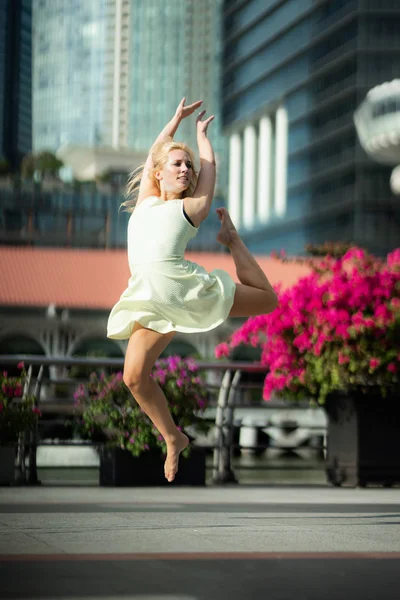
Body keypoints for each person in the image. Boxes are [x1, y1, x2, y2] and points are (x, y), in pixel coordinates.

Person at [107, 97, 278, 482]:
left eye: (189, 166)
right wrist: (173, 122)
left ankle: (233, 241)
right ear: (160, 173)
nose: (185, 169)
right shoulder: (146, 203)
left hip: (188, 293)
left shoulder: (190, 210)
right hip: (152, 303)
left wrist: (201, 137)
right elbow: (154, 154)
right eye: (177, 164)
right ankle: (173, 437)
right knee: (134, 377)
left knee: (268, 301)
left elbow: (209, 170)